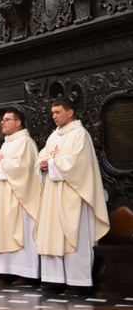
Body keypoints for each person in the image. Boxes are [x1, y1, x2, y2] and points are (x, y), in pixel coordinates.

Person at [35, 97, 110, 290]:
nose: (54, 116)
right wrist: (42, 164)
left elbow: (78, 164)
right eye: (52, 113)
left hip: (74, 194)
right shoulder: (54, 136)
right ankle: (54, 279)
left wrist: (50, 164)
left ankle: (78, 282)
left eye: (58, 112)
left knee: (74, 234)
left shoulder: (80, 134)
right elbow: (43, 155)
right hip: (53, 194)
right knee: (52, 234)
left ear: (70, 112)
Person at [0, 109, 41, 284]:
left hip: (19, 197)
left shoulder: (25, 142)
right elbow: (4, 166)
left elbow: (25, 168)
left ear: (18, 122)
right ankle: (5, 270)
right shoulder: (7, 143)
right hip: (4, 195)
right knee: (3, 232)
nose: (2, 122)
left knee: (21, 233)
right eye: (2, 120)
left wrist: (3, 163)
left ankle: (26, 273)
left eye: (7, 119)